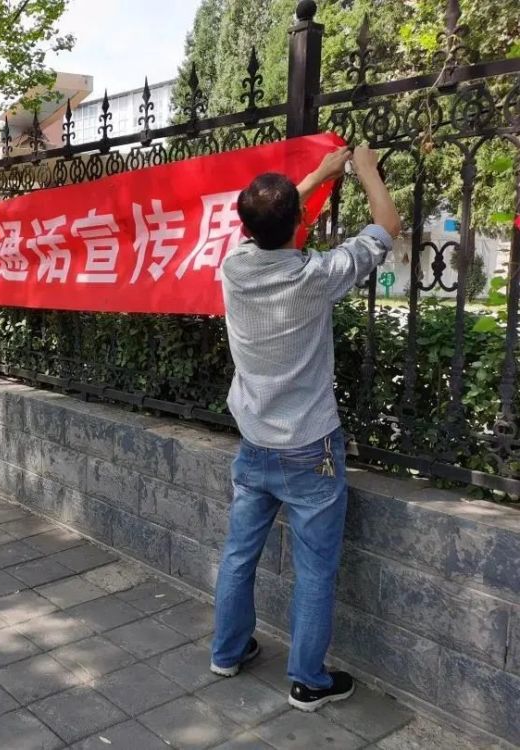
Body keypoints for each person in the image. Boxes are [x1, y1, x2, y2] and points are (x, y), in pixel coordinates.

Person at [209, 145, 401, 712]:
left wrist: (318, 175)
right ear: (298, 224)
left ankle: (226, 652)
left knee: (239, 554)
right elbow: (387, 226)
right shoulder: (317, 275)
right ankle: (307, 680)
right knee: (315, 568)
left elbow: (275, 225)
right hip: (309, 449)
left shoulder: (235, 267)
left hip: (254, 445)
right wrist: (364, 168)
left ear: (246, 227)